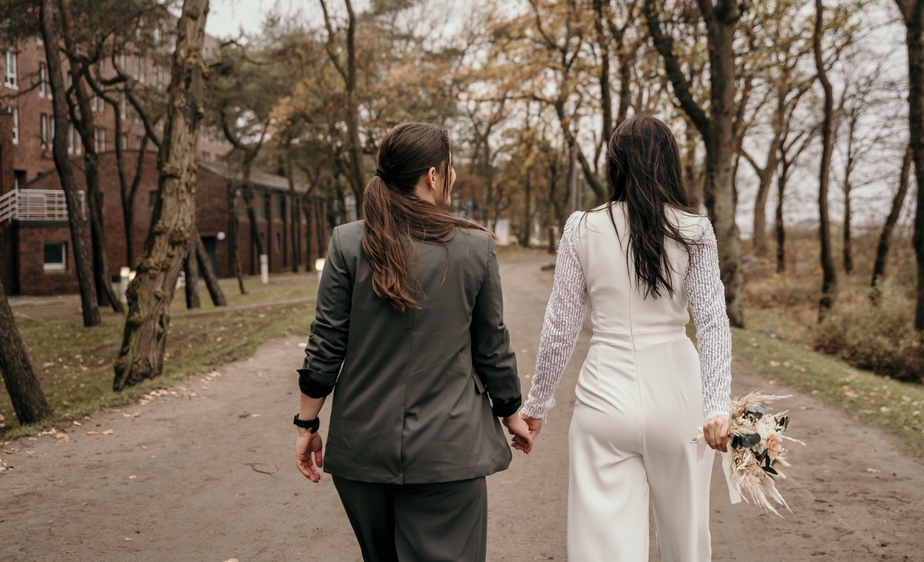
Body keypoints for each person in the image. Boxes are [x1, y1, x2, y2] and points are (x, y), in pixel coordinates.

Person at [293, 122, 533, 562]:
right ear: (433, 176)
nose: (453, 175)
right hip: (449, 452)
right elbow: (492, 346)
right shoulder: (475, 246)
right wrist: (511, 412)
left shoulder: (348, 242)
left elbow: (325, 344)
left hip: (363, 451)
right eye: (450, 167)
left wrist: (306, 426)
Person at [519, 115, 732, 561]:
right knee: (686, 543)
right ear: (670, 164)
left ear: (614, 166)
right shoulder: (694, 230)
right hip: (679, 400)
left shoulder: (581, 228)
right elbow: (712, 321)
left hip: (604, 399)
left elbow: (561, 326)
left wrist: (536, 406)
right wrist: (716, 405)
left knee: (603, 548)